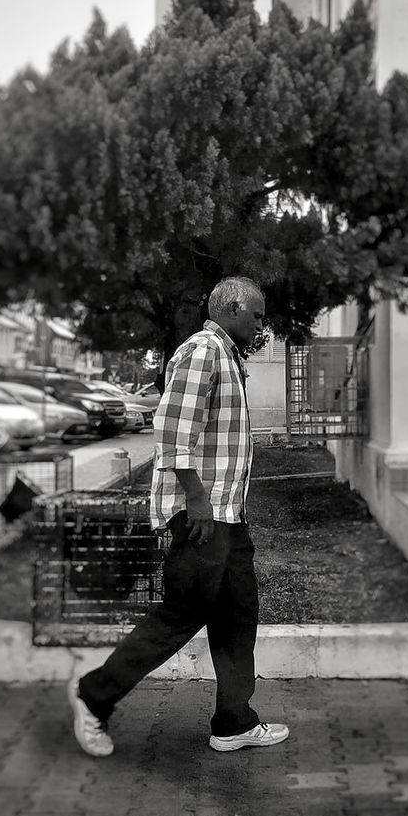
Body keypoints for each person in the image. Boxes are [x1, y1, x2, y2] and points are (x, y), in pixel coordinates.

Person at [68, 276, 289, 757]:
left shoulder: (228, 354)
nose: (260, 322)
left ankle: (233, 722)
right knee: (181, 614)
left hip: (227, 515)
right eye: (256, 314)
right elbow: (172, 434)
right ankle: (93, 695)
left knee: (237, 615)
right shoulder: (204, 350)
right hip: (202, 517)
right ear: (232, 309)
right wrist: (197, 501)